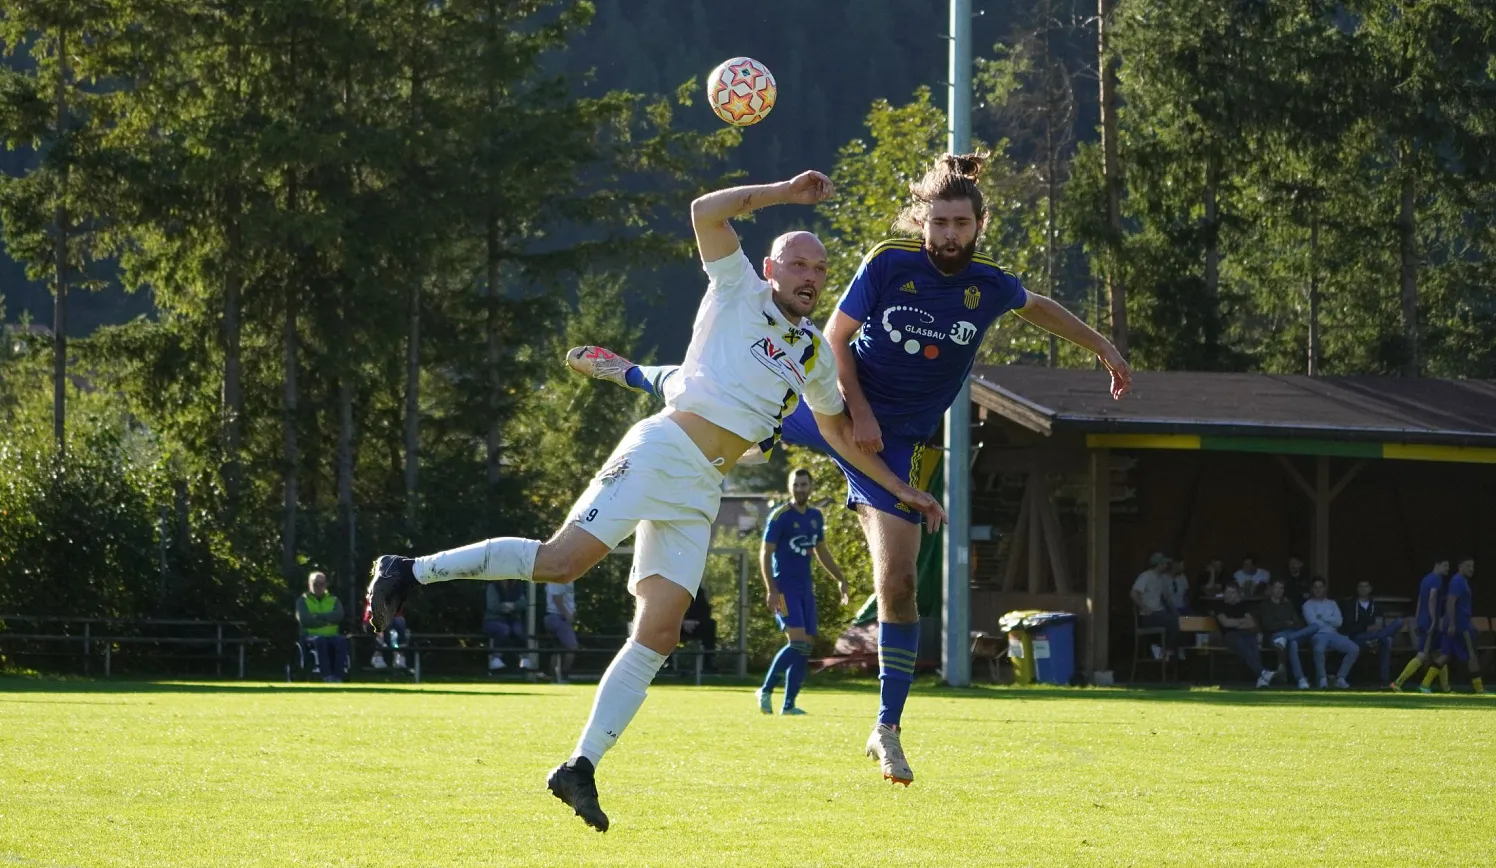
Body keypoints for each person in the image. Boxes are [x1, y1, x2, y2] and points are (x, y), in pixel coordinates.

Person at [364, 170, 942, 832]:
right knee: (561, 562)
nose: (810, 275)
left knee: (660, 630)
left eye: (819, 267)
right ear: (770, 268)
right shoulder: (736, 291)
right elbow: (703, 210)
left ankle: (579, 766)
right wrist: (786, 190)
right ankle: (409, 569)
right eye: (797, 263)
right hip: (663, 449)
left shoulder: (812, 354)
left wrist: (902, 491)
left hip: (700, 486)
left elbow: (843, 436)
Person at [567, 154, 1133, 786]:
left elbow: (1038, 305)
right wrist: (858, 411)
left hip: (894, 449)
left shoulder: (991, 285)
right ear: (923, 222)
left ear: (978, 226)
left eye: (960, 224)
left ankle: (886, 731)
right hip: (833, 406)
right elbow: (834, 339)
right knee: (728, 400)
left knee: (896, 588)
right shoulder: (890, 262)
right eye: (939, 221)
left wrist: (1103, 347)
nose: (949, 234)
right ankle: (637, 373)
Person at [757, 468, 850, 715]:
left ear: (810, 487)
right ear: (790, 487)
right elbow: (765, 553)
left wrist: (840, 578)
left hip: (805, 589)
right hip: (784, 588)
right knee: (797, 643)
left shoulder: (815, 517)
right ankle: (765, 690)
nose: (800, 489)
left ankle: (789, 705)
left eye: (804, 485)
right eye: (796, 485)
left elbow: (821, 551)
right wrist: (771, 590)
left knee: (806, 647)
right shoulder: (780, 516)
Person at [1420, 557, 1483, 694]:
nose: (1471, 569)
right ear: (1460, 566)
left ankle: (1425, 684)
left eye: (1472, 566)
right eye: (1468, 566)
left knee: (1446, 654)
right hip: (1461, 626)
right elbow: (1450, 602)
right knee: (1472, 655)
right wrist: (1453, 624)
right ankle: (1479, 689)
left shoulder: (1461, 581)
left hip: (1458, 623)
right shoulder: (1458, 581)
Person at [1392, 559, 1450, 691]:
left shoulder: (1425, 579)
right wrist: (1434, 619)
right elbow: (1432, 598)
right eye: (1445, 565)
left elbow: (1420, 600)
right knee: (1423, 654)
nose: (1447, 569)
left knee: (1440, 653)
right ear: (1437, 565)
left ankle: (1446, 687)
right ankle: (1398, 682)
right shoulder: (1436, 579)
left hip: (1424, 619)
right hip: (1430, 621)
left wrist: (1419, 618)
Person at [1210, 583, 1275, 688]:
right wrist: (1241, 621)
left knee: (1252, 642)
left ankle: (1261, 677)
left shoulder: (1243, 607)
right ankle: (1262, 672)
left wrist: (1235, 623)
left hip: (1245, 633)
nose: (1229, 595)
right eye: (1227, 592)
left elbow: (1251, 624)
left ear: (1237, 594)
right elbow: (1226, 623)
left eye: (1232, 593)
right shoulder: (1219, 607)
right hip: (1228, 636)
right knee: (1244, 647)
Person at [1257, 578, 1318, 689]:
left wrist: (1285, 625)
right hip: (1275, 636)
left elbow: (1298, 624)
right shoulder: (1265, 605)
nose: (1279, 590)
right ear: (1271, 589)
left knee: (1315, 626)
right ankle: (1301, 679)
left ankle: (1287, 638)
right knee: (1293, 644)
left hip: (1289, 634)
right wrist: (1287, 623)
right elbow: (1268, 625)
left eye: (1281, 588)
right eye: (1276, 587)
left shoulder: (1287, 605)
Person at [1342, 580, 1402, 685]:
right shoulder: (1351, 605)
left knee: (1390, 635)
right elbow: (1348, 626)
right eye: (1360, 586)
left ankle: (1385, 681)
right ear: (1357, 589)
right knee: (1385, 638)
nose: (1363, 588)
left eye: (1366, 586)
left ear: (1370, 589)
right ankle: (1378, 639)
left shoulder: (1376, 606)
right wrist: (1366, 628)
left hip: (1375, 635)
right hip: (1359, 638)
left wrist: (1378, 628)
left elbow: (1380, 622)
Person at [1303, 578, 1358, 689]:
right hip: (1318, 635)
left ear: (1325, 588)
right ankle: (1322, 679)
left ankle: (1341, 678)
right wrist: (1330, 620)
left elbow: (1339, 622)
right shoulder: (1307, 605)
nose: (1318, 590)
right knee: (1318, 650)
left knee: (1354, 648)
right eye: (1315, 587)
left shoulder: (1332, 603)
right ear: (1312, 589)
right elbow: (1313, 623)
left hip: (1334, 634)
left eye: (1320, 587)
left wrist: (1322, 617)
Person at [295, 571, 349, 683]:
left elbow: (339, 616)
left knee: (342, 641)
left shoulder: (334, 600)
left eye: (322, 584)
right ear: (310, 584)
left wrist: (318, 616)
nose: (319, 586)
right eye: (315, 583)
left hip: (332, 635)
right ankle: (326, 675)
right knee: (321, 641)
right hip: (311, 636)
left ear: (326, 585)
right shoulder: (303, 601)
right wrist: (328, 622)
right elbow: (305, 621)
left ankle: (339, 676)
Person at [1131, 553, 1179, 661]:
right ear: (1159, 564)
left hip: (1159, 613)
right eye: (1165, 563)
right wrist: (1144, 607)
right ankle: (1167, 652)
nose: (1167, 565)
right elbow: (1134, 593)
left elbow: (1166, 597)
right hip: (1149, 615)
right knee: (1172, 622)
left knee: (1178, 621)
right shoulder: (1146, 576)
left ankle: (1168, 653)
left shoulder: (1161, 579)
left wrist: (1176, 611)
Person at [483, 580, 531, 672]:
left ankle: (524, 658)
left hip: (511, 619)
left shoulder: (517, 587)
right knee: (504, 629)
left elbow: (523, 603)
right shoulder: (492, 587)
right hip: (492, 619)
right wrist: (506, 607)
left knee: (518, 629)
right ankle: (496, 658)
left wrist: (512, 606)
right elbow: (492, 606)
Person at [544, 581, 580, 685]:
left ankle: (554, 676)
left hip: (560, 617)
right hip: (557, 616)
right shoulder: (559, 577)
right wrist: (567, 614)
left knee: (557, 648)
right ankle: (563, 675)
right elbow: (557, 598)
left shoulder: (567, 577)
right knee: (572, 646)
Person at [677, 585, 718, 674]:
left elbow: (705, 609)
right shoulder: (671, 589)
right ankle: (666, 663)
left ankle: (708, 662)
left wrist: (697, 621)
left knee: (710, 624)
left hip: (695, 624)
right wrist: (682, 622)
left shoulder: (698, 590)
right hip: (676, 624)